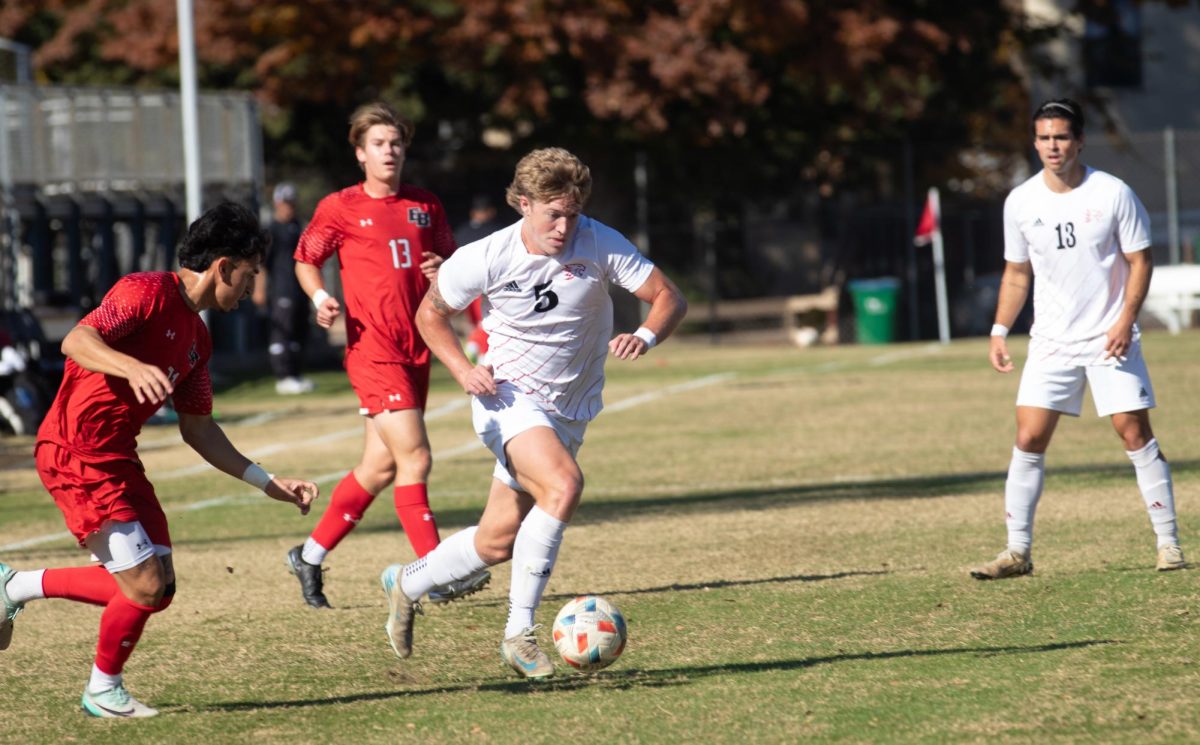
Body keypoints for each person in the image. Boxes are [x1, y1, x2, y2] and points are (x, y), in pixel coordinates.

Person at [0, 202, 319, 718]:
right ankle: (102, 691)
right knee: (143, 585)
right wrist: (131, 366)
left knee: (159, 588)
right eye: (249, 274)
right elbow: (77, 338)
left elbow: (199, 428)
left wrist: (267, 481)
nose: (249, 287)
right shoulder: (145, 291)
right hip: (74, 453)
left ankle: (14, 586)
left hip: (118, 459)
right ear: (223, 266)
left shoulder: (198, 340)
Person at [378, 147, 687, 679]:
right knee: (563, 486)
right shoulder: (486, 255)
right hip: (507, 397)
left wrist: (643, 334)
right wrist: (461, 369)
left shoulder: (600, 240)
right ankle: (518, 634)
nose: (564, 226)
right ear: (524, 204)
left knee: (495, 540)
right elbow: (430, 314)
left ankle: (407, 582)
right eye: (553, 214)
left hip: (569, 410)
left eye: (571, 213)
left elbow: (668, 296)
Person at [284, 101, 490, 609]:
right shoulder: (340, 207)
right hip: (372, 348)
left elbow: (452, 262)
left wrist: (444, 267)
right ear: (360, 153)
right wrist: (319, 298)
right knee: (416, 457)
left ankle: (307, 557)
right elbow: (306, 259)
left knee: (378, 468)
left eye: (396, 143)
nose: (389, 151)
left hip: (416, 346)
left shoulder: (425, 205)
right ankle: (437, 573)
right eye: (378, 143)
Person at [972, 98, 1186, 580]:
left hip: (1110, 339)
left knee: (1133, 433)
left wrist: (1123, 321)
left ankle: (1168, 543)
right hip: (1051, 342)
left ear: (1079, 140)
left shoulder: (1113, 194)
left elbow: (1141, 262)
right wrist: (999, 330)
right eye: (1044, 138)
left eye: (1062, 137)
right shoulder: (1021, 201)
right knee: (1028, 437)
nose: (1053, 146)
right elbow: (1015, 273)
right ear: (1035, 143)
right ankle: (1016, 552)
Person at [254, 182, 314, 395]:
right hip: (281, 288)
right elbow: (262, 264)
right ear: (277, 203)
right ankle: (283, 376)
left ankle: (296, 374)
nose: (289, 207)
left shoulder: (299, 226)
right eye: (285, 203)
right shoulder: (271, 230)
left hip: (300, 289)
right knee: (283, 334)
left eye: (292, 203)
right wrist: (259, 289)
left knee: (300, 334)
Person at [453, 195, 507, 364]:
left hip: (467, 286)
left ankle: (476, 347)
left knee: (480, 323)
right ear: (491, 212)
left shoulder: (461, 232)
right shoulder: (499, 231)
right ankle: (477, 348)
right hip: (491, 286)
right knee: (488, 323)